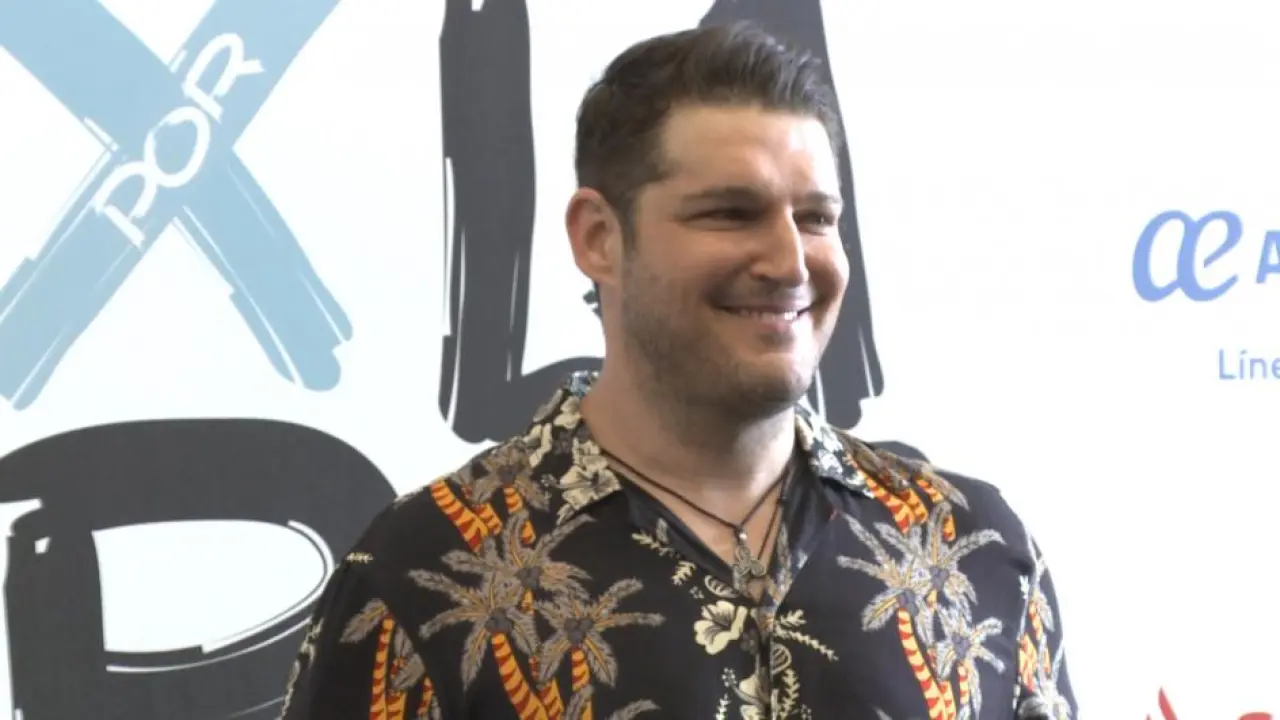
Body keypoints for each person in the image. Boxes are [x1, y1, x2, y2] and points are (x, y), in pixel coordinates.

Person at [278, 23, 1076, 720]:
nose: (790, 261)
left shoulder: (973, 547)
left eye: (816, 217)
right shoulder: (423, 575)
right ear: (598, 237)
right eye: (731, 213)